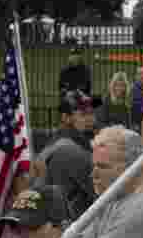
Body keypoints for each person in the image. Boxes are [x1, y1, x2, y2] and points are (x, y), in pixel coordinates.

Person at [37, 91, 98, 221]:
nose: (91, 119)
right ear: (66, 118)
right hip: (70, 226)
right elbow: (102, 192)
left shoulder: (59, 141)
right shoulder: (69, 149)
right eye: (83, 114)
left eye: (92, 113)